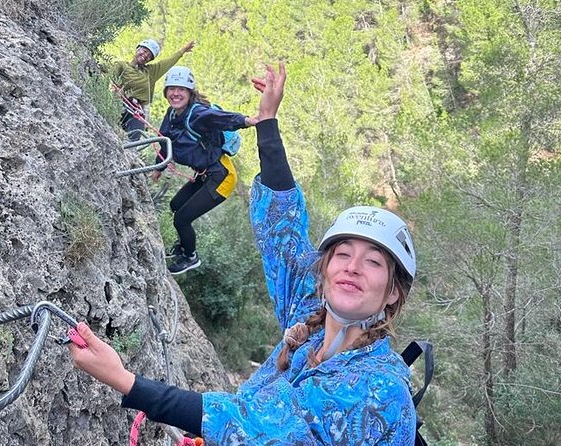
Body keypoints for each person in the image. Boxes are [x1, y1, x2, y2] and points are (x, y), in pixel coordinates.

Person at [69, 62, 418, 445]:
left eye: (373, 262)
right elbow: (280, 228)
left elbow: (258, 428)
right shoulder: (309, 315)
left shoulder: (380, 390)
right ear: (324, 268)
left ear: (394, 291)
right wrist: (267, 122)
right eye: (343, 254)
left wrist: (124, 380)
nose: (352, 268)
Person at [152, 66, 257, 275]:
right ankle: (183, 247)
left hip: (222, 177)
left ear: (190, 92)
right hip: (204, 174)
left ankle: (190, 257)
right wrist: (159, 166)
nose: (175, 93)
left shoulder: (197, 113)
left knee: (181, 219)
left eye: (181, 89)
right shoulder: (172, 114)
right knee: (176, 205)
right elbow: (165, 140)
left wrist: (246, 121)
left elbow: (219, 118)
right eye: (171, 88)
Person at [109, 39, 196, 140]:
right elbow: (109, 77)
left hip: (136, 112)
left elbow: (166, 63)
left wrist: (183, 50)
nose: (146, 56)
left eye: (149, 56)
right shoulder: (121, 65)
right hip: (118, 104)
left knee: (132, 142)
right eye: (145, 51)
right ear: (138, 49)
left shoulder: (150, 73)